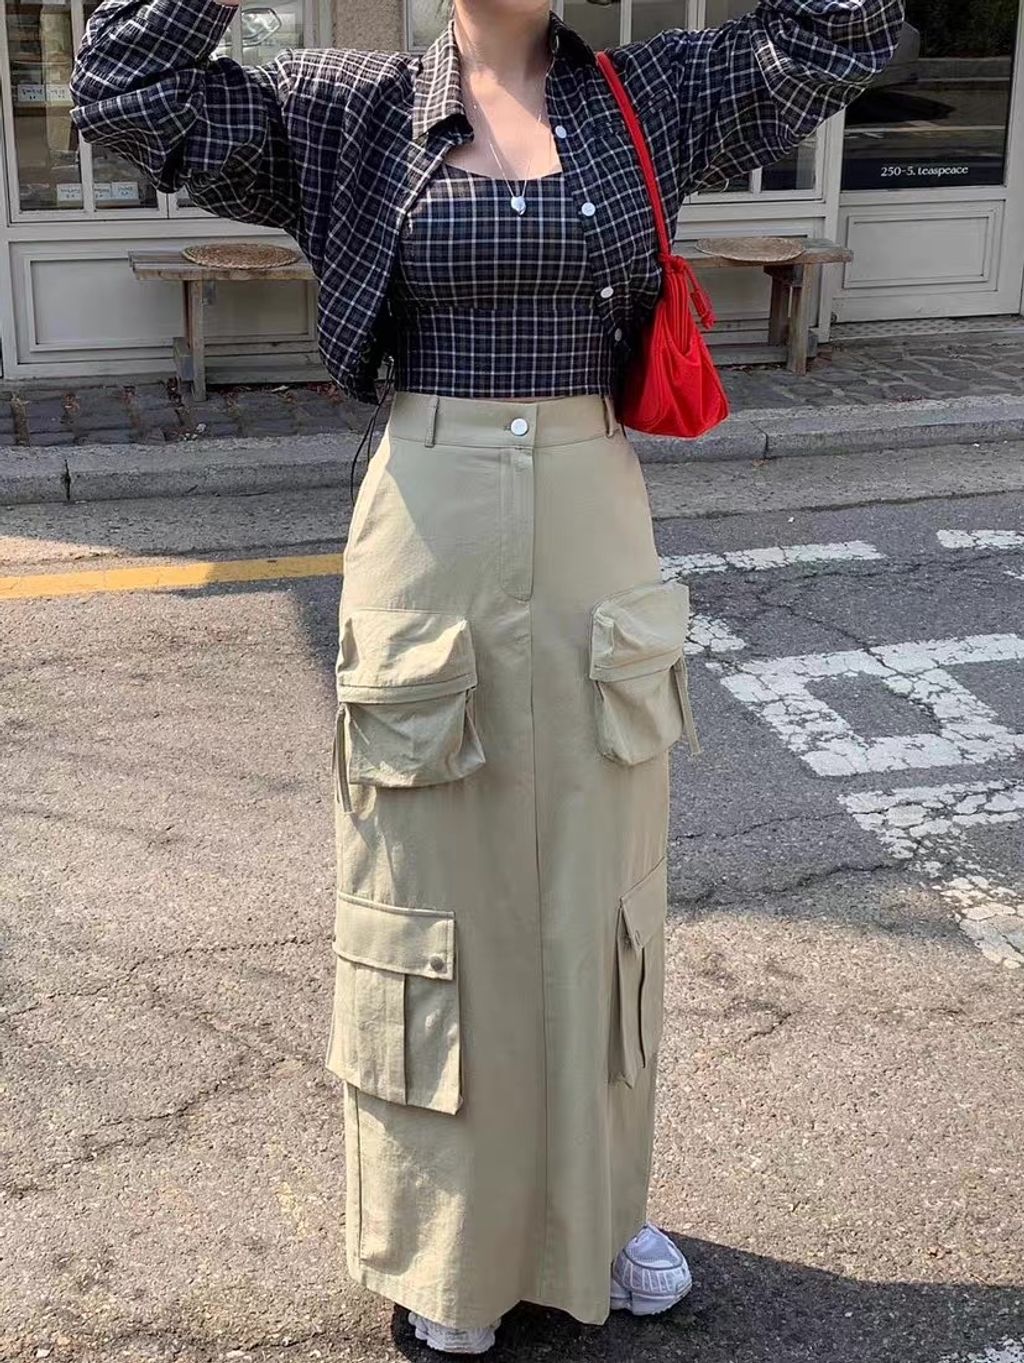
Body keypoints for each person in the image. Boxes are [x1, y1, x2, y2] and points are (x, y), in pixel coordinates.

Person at [70, 0, 904, 1353]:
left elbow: (847, 31)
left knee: (599, 891)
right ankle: (446, 1248)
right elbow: (124, 90)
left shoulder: (656, 96)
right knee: (430, 891)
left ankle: (599, 1208)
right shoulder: (346, 111)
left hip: (593, 519)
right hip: (431, 513)